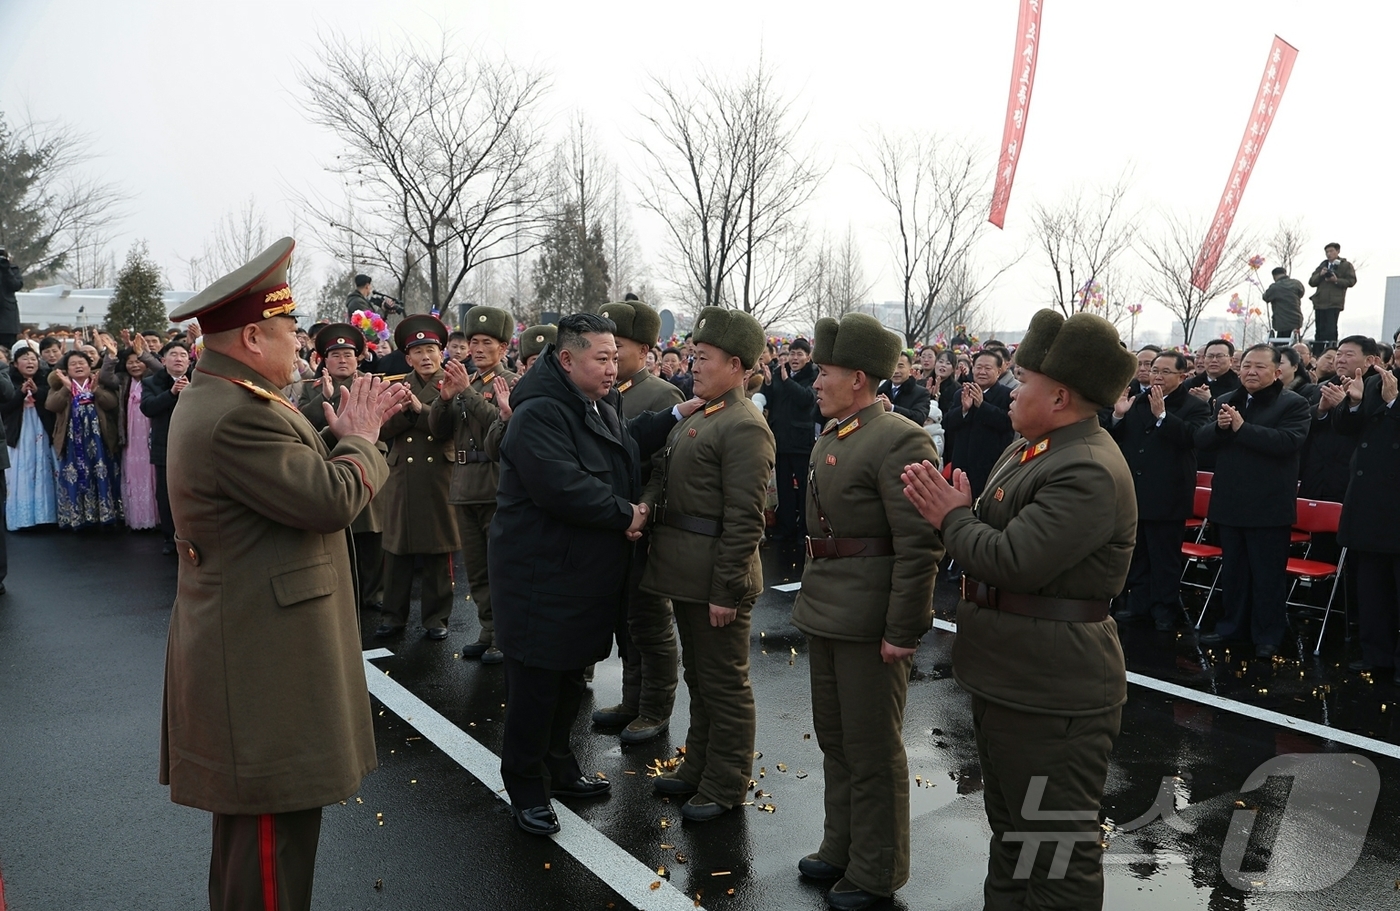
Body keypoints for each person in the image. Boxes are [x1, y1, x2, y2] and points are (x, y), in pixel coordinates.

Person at [160, 238, 403, 911]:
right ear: (251, 336)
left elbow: (279, 480)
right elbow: (327, 499)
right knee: (269, 852)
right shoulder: (236, 412)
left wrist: (335, 439)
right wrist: (361, 440)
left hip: (254, 648)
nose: (299, 342)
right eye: (289, 329)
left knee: (260, 847)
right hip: (260, 664)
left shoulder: (231, 394)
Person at [901, 309, 1139, 911]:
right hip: (1014, 676)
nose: (1010, 389)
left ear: (1059, 397)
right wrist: (961, 515)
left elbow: (1012, 561)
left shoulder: (1086, 467)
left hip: (1051, 688)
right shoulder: (1036, 449)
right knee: (1011, 833)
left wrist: (951, 517)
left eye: (1023, 380)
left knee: (1052, 851)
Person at [490, 312, 685, 835]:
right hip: (541, 578)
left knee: (569, 681)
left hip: (580, 577)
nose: (612, 367)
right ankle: (526, 787)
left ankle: (559, 767)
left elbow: (622, 444)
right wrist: (628, 514)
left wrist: (674, 414)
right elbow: (562, 486)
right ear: (566, 359)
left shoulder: (597, 401)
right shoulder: (539, 413)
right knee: (536, 689)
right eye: (602, 358)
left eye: (615, 357)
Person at [793, 313, 942, 911]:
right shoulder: (836, 434)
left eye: (824, 372)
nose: (815, 382)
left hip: (870, 619)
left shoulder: (900, 438)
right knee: (836, 739)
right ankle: (842, 846)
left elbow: (918, 544)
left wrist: (903, 628)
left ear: (857, 378)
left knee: (873, 747)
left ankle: (877, 868)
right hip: (828, 609)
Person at [641, 306, 775, 822]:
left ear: (736, 365)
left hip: (716, 577)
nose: (694, 365)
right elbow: (664, 472)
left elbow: (745, 520)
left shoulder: (744, 425)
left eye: (705, 357)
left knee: (725, 685)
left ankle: (726, 781)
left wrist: (726, 590)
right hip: (687, 573)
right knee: (700, 678)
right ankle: (699, 764)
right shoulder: (704, 413)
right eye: (693, 356)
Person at [590, 298, 687, 743]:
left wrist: (643, 513)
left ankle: (655, 708)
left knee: (650, 622)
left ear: (645, 350)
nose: (611, 356)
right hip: (612, 524)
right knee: (626, 621)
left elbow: (667, 469)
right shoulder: (602, 394)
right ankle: (632, 700)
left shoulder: (662, 396)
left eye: (620, 347)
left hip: (645, 527)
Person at [1196, 345, 1311, 658]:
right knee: (1233, 572)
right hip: (1230, 502)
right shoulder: (1227, 399)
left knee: (1267, 575)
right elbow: (1202, 441)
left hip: (1268, 505)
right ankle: (1231, 627)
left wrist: (1243, 428)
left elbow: (1288, 442)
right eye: (1247, 365)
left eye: (1260, 367)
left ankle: (1267, 635)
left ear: (1277, 372)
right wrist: (1219, 428)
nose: (1251, 372)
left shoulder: (1293, 403)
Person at [428, 305, 515, 658]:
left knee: (500, 568)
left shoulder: (510, 382)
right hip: (464, 486)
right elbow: (439, 431)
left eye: (486, 343)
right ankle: (488, 629)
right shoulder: (468, 382)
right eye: (473, 342)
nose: (477, 349)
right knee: (477, 570)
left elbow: (501, 424)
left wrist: (466, 392)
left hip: (495, 485)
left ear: (503, 348)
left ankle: (504, 636)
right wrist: (444, 398)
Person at [1109, 350, 1210, 630]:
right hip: (1134, 491)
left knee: (1164, 556)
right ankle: (1138, 604)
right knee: (1138, 553)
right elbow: (1117, 438)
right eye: (1155, 370)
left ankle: (1165, 609)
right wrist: (1117, 416)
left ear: (1182, 376)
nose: (1158, 376)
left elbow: (1194, 437)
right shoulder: (1137, 401)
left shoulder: (1194, 405)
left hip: (1169, 492)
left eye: (1166, 372)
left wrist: (1163, 416)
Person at [376, 315, 459, 640]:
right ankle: (392, 616)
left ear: (441, 353)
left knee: (438, 547)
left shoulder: (452, 384)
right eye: (418, 352)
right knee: (397, 547)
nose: (426, 357)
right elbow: (381, 429)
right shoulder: (396, 385)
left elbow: (450, 428)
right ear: (407, 358)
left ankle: (436, 618)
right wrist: (405, 411)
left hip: (438, 473)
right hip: (402, 474)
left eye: (431, 350)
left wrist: (419, 410)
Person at [299, 324, 386, 609]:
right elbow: (303, 424)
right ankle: (348, 597)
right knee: (339, 539)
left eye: (348, 354)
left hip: (365, 464)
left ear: (358, 357)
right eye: (335, 355)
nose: (342, 360)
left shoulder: (370, 384)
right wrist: (326, 398)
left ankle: (373, 595)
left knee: (371, 536)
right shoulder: (311, 388)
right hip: (330, 469)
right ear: (324, 359)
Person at [1333, 354, 1400, 678]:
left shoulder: (1389, 390)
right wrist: (1355, 403)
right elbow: (1346, 430)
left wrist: (1394, 403)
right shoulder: (1374, 382)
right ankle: (1376, 653)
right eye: (1399, 345)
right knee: (1372, 588)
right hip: (1370, 502)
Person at [46, 350, 121, 530]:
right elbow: (51, 405)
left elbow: (112, 403)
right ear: (67, 369)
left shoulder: (98, 381)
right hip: (72, 440)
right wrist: (66, 388)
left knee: (101, 472)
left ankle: (106, 515)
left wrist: (96, 391)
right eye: (73, 364)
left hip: (99, 439)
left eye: (82, 363)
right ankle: (77, 517)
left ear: (89, 366)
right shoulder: (60, 385)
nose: (78, 366)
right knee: (74, 475)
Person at [761, 336, 818, 565]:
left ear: (808, 357)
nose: (794, 358)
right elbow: (769, 401)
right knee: (783, 488)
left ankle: (803, 530)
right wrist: (768, 383)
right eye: (792, 353)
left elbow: (806, 399)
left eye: (799, 354)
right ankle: (785, 528)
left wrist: (786, 381)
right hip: (780, 439)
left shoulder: (813, 375)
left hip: (802, 442)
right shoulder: (778, 372)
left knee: (803, 489)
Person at [102, 340, 163, 531]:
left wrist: (145, 354)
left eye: (138, 361)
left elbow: (161, 369)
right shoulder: (123, 380)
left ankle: (158, 518)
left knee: (153, 475)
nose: (134, 365)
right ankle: (139, 518)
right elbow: (105, 377)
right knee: (134, 474)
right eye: (130, 362)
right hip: (130, 436)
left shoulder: (153, 379)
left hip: (151, 433)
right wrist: (111, 356)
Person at [940, 350, 1014, 499]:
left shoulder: (1007, 395)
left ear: (998, 371)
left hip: (990, 464)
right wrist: (963, 410)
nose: (982, 372)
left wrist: (982, 406)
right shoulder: (961, 393)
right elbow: (947, 424)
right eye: (978, 367)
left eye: (988, 368)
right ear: (972, 369)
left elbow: (1008, 424)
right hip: (962, 462)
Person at [140, 341, 192, 554]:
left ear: (189, 361)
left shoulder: (198, 380)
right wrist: (171, 393)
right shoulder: (152, 382)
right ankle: (170, 539)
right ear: (163, 360)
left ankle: (194, 536)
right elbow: (147, 407)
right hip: (165, 445)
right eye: (173, 354)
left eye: (183, 355)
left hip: (192, 446)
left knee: (194, 492)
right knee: (166, 494)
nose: (179, 359)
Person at [3, 345, 57, 532]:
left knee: (44, 467)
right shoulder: (8, 381)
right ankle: (23, 518)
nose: (30, 362)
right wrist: (20, 393)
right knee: (21, 470)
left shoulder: (46, 378)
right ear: (15, 364)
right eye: (25, 359)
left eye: (33, 358)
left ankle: (47, 516)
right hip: (19, 433)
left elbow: (53, 403)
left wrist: (37, 392)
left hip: (42, 430)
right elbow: (5, 408)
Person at [1307, 243, 1357, 347]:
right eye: (1327, 252)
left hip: (1334, 302)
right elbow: (1311, 282)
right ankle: (1318, 351)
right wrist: (1320, 275)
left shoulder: (1345, 265)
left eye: (1331, 251)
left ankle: (1331, 349)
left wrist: (1336, 280)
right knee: (1319, 330)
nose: (1328, 254)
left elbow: (1351, 281)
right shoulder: (1323, 265)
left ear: (1338, 251)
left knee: (1331, 329)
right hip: (1320, 301)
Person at [877, 350, 932, 425]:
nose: (896, 371)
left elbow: (919, 418)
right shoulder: (879, 391)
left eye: (900, 366)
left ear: (910, 371)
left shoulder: (921, 393)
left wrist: (892, 408)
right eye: (893, 366)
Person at [1262, 266, 1306, 339]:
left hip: (1282, 322)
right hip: (1296, 320)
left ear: (1274, 276)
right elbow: (1301, 293)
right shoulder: (1296, 283)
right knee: (1295, 341)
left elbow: (1265, 297)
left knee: (1282, 343)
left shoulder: (1275, 287)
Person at [0, 248, 22, 350]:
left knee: (8, 349)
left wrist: (6, 269)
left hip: (7, 319)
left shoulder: (12, 269)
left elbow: (16, 285)